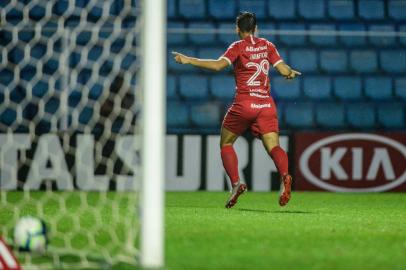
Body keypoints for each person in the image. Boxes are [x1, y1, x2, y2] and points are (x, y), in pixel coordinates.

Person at [172, 12, 301, 208]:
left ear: (237, 29)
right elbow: (283, 70)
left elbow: (217, 66)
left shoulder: (237, 47)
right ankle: (285, 176)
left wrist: (189, 59)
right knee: (273, 146)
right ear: (256, 28)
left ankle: (236, 183)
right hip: (266, 104)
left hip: (244, 104)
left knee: (226, 143)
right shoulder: (268, 45)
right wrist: (290, 72)